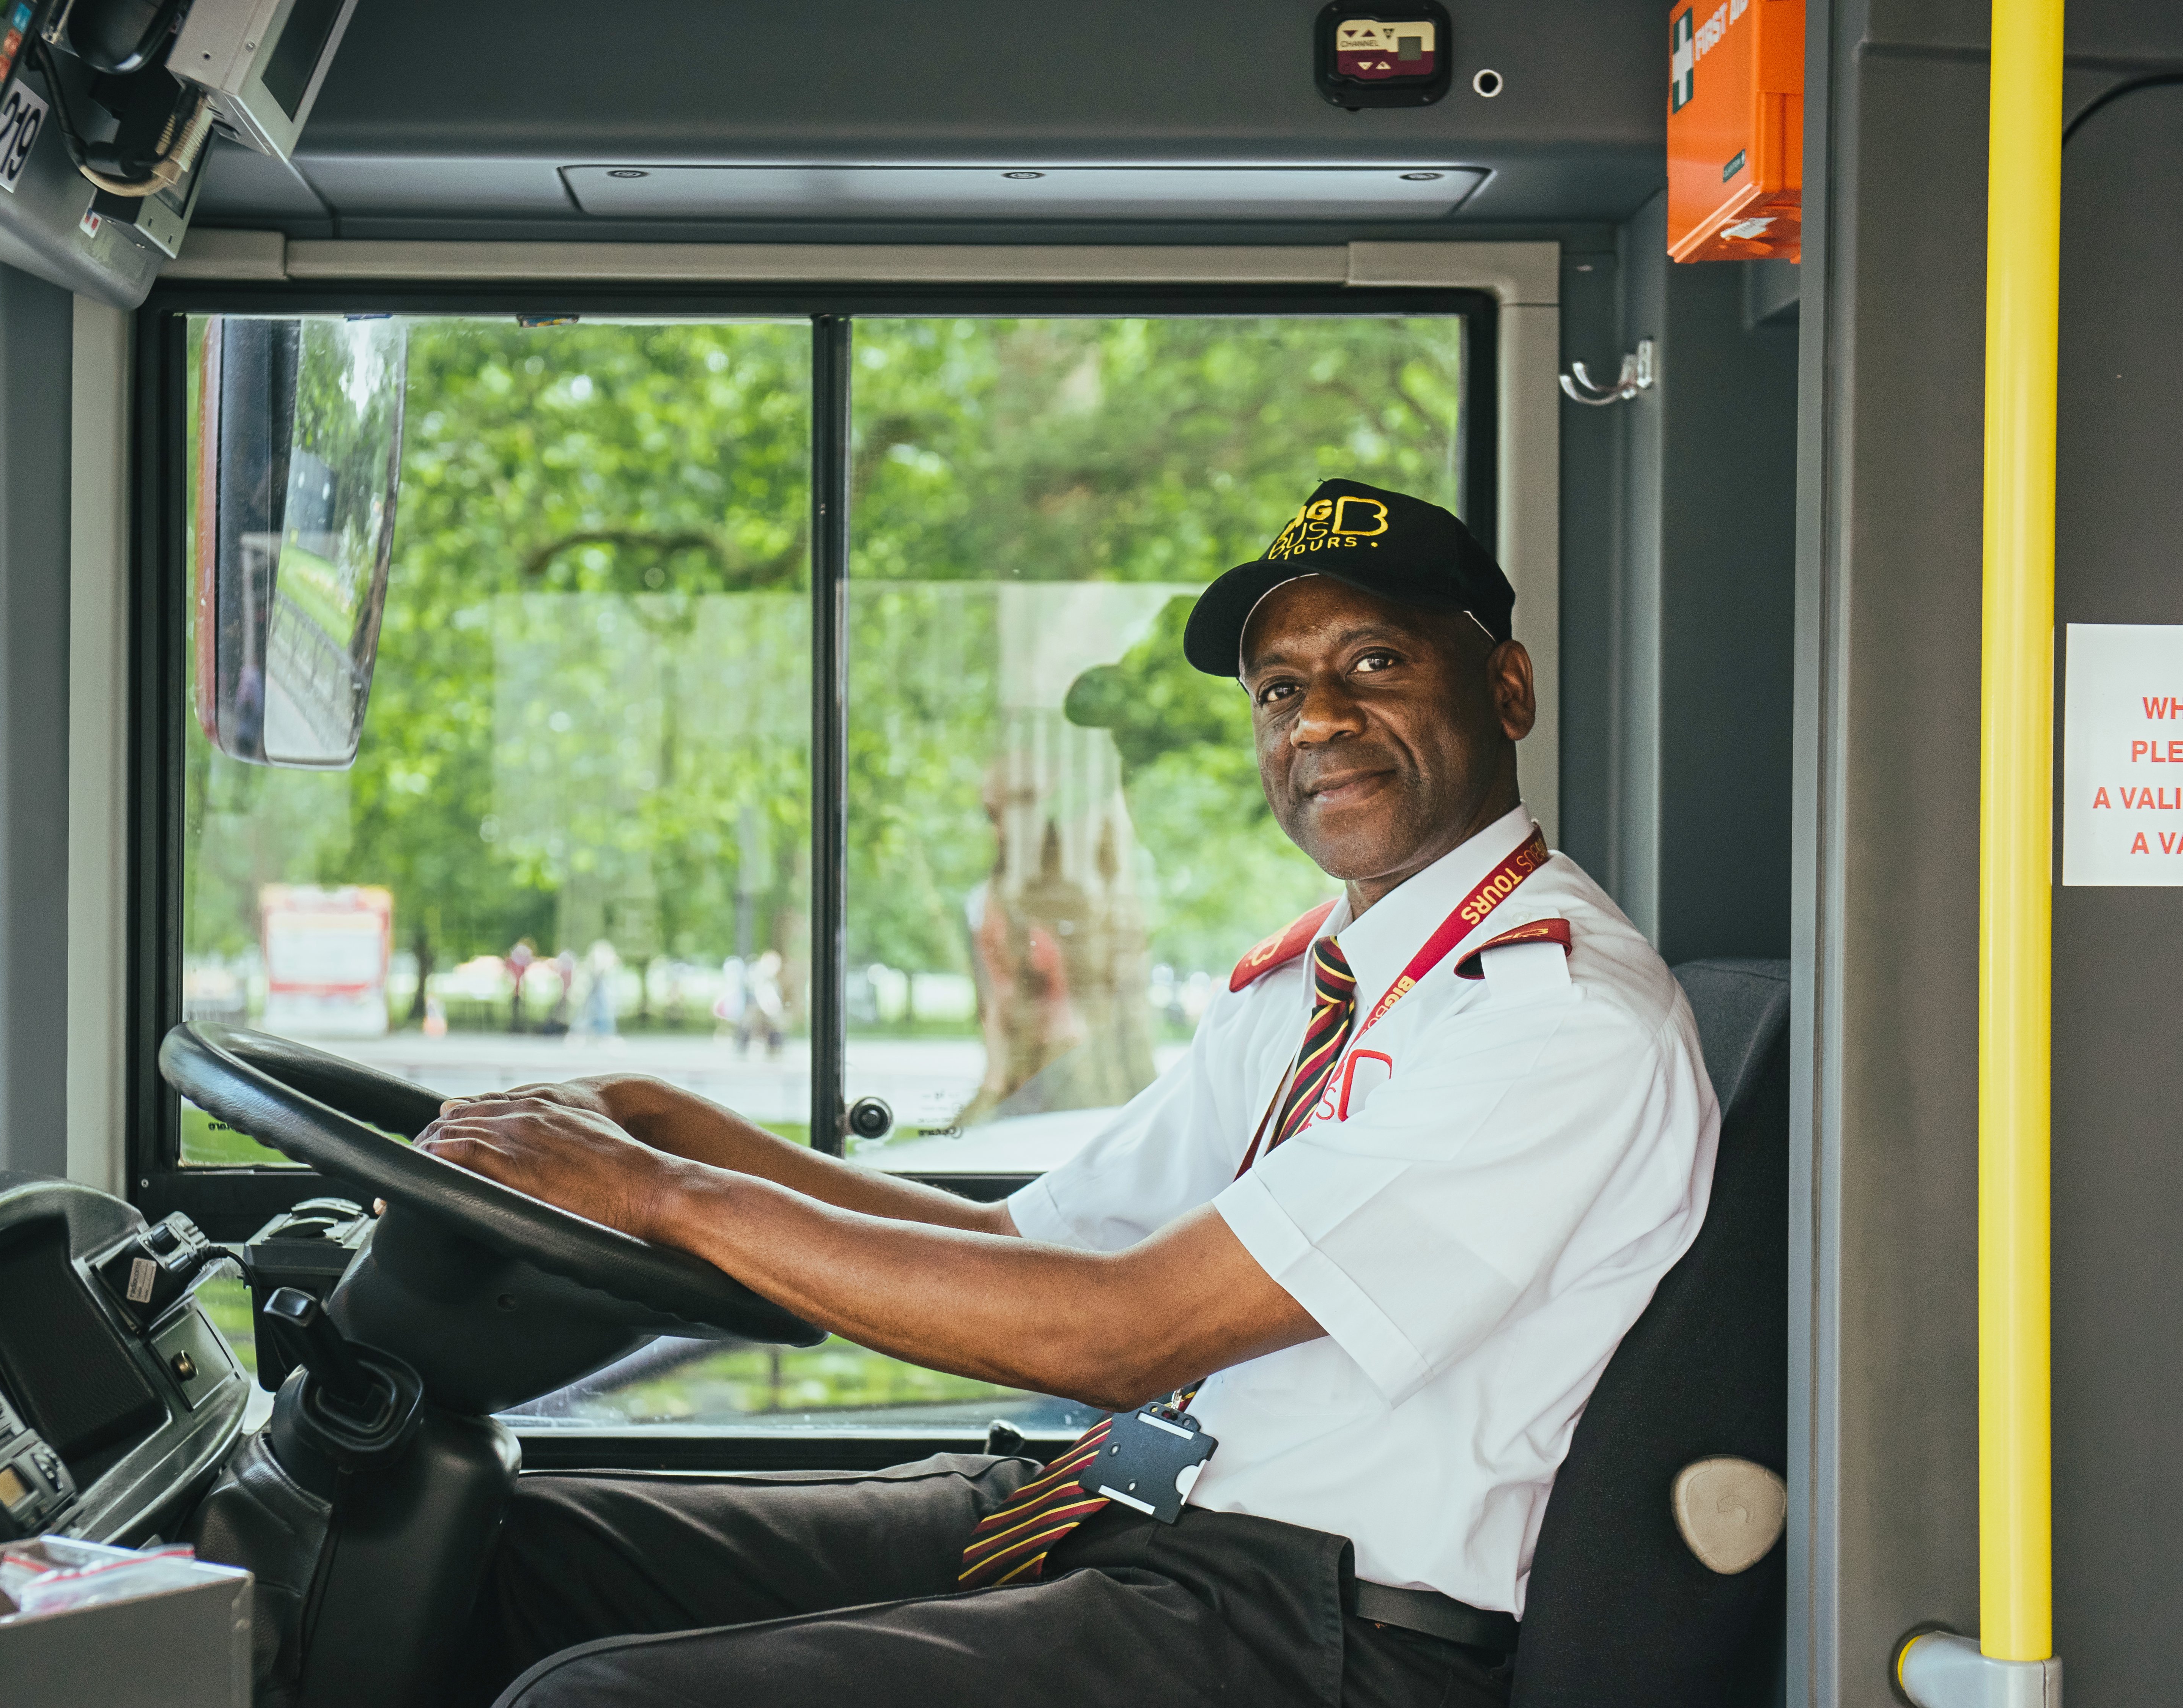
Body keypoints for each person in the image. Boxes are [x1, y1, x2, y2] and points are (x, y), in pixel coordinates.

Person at [424, 479, 1720, 1708]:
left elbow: (1123, 1334)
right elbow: (1026, 1246)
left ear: (1506, 689)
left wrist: (659, 1196)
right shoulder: (1320, 976)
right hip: (1128, 1514)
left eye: (1373, 664)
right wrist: (655, 1114)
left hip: (1325, 1628)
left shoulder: (1550, 1021)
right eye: (1278, 689)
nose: (1315, 719)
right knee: (509, 1547)